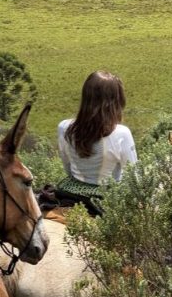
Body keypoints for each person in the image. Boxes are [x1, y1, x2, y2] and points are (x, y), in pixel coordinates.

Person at [50, 70, 138, 210]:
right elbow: (134, 177)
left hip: (70, 191)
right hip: (105, 198)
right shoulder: (122, 134)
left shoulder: (63, 127)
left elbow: (67, 166)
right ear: (116, 102)